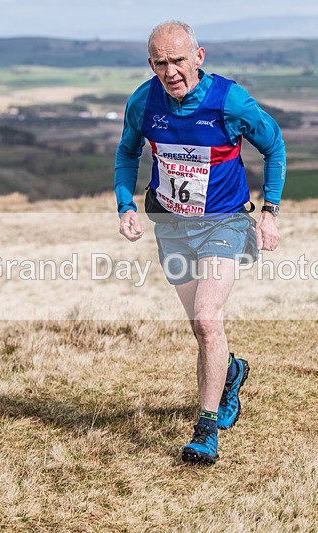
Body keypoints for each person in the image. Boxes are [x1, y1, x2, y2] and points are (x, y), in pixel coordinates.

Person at [114, 21, 286, 465]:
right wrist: (124, 204)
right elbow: (127, 151)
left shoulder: (229, 100)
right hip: (171, 225)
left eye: (177, 60)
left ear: (199, 57)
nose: (169, 71)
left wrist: (269, 211)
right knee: (201, 326)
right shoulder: (144, 100)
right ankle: (231, 370)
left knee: (208, 321)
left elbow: (274, 146)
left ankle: (205, 430)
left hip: (224, 223)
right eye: (159, 62)